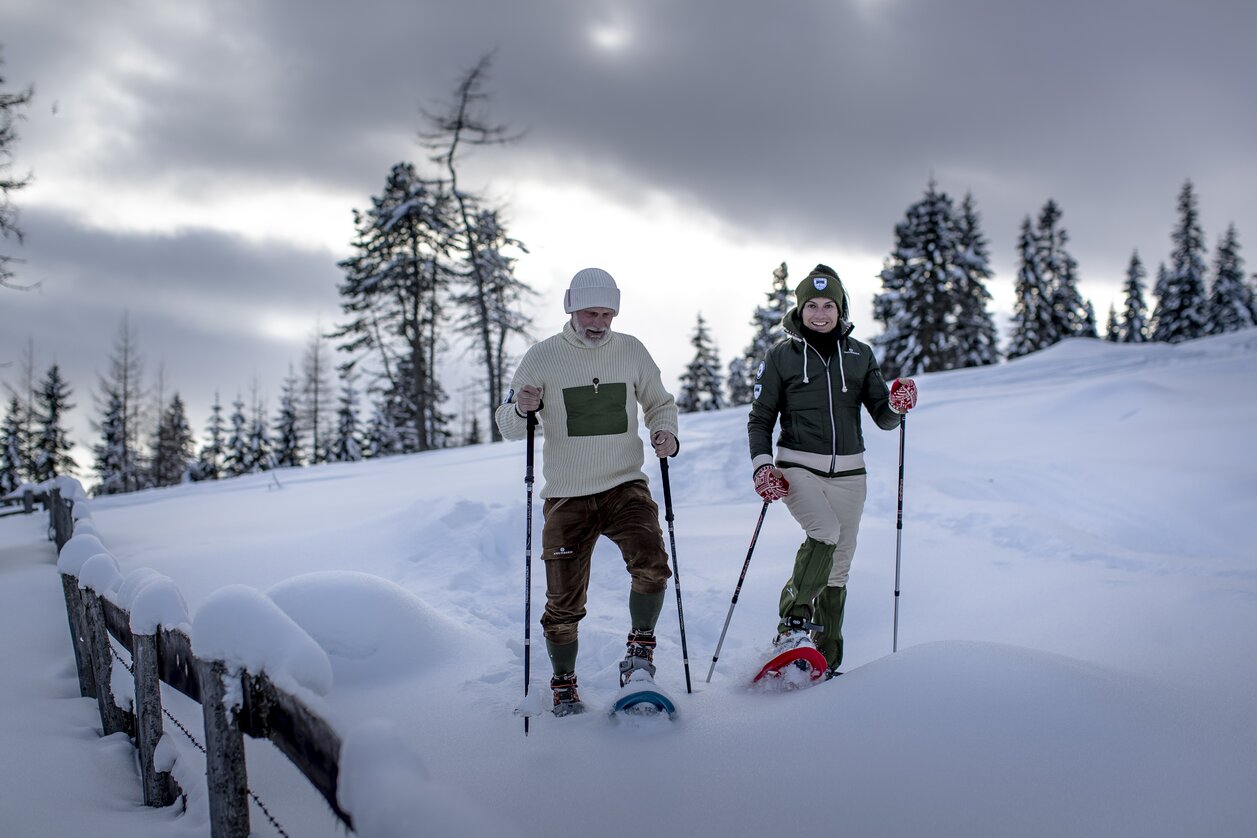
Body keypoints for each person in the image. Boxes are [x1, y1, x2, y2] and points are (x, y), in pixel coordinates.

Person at [495, 267, 680, 715]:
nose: (598, 322)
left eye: (606, 313)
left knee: (653, 564)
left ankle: (640, 651)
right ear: (571, 308)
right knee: (563, 602)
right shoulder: (541, 357)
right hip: (567, 495)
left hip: (624, 485)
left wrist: (665, 431)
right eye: (590, 312)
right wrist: (520, 408)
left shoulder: (631, 350)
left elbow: (659, 402)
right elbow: (507, 428)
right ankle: (563, 683)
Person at [746, 263, 917, 679]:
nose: (820, 314)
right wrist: (762, 466)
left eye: (828, 306)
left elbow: (883, 415)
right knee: (824, 532)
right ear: (800, 310)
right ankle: (792, 628)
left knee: (840, 563)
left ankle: (826, 658)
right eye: (812, 305)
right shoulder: (782, 356)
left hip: (851, 474)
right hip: (797, 466)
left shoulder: (860, 355)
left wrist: (897, 405)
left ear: (841, 309)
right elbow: (760, 417)